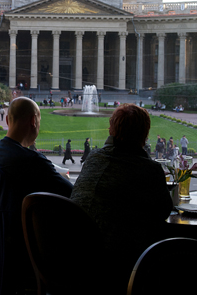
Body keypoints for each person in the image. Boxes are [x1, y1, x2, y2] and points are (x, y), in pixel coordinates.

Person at [0, 97, 72, 295]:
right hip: (26, 258)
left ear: (7, 121)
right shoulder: (32, 163)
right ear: (33, 121)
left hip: (1, 254)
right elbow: (72, 194)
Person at [70, 104, 173, 291]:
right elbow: (164, 210)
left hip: (74, 259)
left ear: (111, 129)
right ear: (144, 135)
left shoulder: (93, 158)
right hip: (117, 268)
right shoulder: (149, 169)